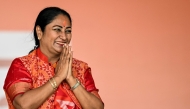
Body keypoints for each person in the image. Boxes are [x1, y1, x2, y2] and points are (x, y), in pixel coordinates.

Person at [3, 7, 104, 109]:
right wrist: (58, 77)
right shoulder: (22, 65)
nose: (64, 37)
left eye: (68, 31)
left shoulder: (80, 68)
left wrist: (71, 79)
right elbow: (22, 105)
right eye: (57, 29)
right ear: (39, 32)